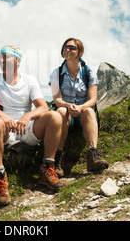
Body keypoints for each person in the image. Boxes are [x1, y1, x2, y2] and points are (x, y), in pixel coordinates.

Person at [0, 45, 63, 206]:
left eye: (6, 57)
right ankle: (0, 178)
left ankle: (47, 168)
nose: (2, 60)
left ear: (17, 60)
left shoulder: (29, 80)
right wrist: (2, 115)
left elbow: (43, 107)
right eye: (0, 57)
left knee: (54, 116)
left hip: (25, 128)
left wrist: (28, 116)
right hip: (5, 129)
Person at [49, 38, 108, 177]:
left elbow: (92, 100)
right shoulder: (55, 73)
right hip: (66, 112)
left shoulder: (89, 72)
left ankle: (92, 155)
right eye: (65, 47)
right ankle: (58, 159)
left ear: (80, 52)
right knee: (61, 111)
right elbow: (57, 100)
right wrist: (69, 106)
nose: (67, 50)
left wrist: (80, 107)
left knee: (88, 110)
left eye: (71, 48)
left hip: (82, 113)